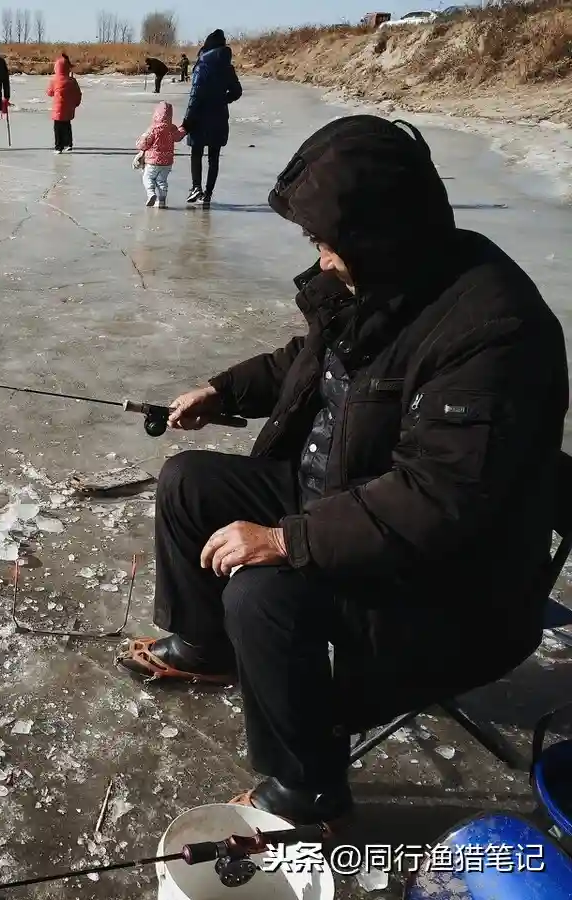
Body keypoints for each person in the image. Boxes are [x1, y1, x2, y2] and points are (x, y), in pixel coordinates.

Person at [116, 115, 569, 826]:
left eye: (328, 243)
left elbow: (437, 501)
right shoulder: (390, 279)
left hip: (448, 579)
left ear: (382, 232)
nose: (323, 260)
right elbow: (308, 360)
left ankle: (307, 789)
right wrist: (224, 391)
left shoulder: (493, 332)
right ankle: (206, 649)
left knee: (263, 594)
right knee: (190, 483)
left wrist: (286, 541)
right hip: (346, 494)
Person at [182, 29, 242, 207]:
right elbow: (237, 92)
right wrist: (221, 100)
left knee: (196, 152)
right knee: (213, 157)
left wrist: (187, 121)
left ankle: (196, 188)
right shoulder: (227, 67)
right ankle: (207, 194)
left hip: (200, 116)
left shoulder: (202, 66)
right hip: (219, 116)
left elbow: (196, 95)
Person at [135, 101, 186, 208]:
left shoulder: (153, 129)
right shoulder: (172, 128)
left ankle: (151, 194)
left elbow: (143, 143)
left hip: (152, 162)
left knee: (148, 177)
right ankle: (162, 201)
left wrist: (138, 144)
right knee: (162, 181)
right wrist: (184, 128)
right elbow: (178, 137)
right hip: (167, 162)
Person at [46, 54, 82, 154]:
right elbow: (78, 93)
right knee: (67, 125)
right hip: (69, 109)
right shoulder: (72, 81)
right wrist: (76, 103)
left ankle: (58, 147)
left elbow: (49, 92)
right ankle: (69, 144)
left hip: (58, 109)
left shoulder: (54, 80)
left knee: (58, 128)